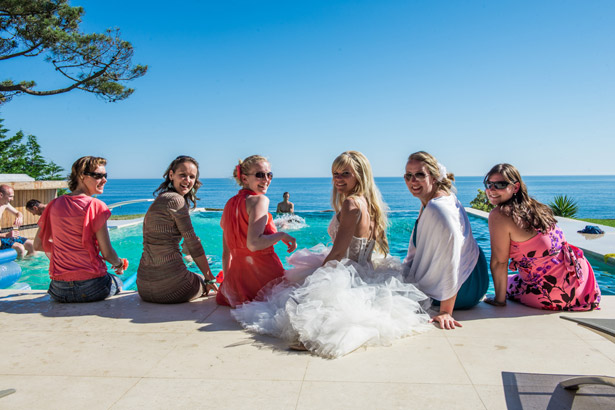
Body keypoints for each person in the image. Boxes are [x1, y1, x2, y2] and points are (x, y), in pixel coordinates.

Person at [232, 151, 431, 358]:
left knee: (293, 305)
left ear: (360, 175)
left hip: (346, 272)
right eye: (335, 173)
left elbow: (337, 252)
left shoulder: (351, 203)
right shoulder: (369, 203)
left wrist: (316, 280)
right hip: (364, 269)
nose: (338, 178)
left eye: (345, 173)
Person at [483, 163, 601, 311]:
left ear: (515, 187)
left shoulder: (500, 215)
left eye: (500, 184)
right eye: (489, 184)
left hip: (556, 295)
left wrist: (499, 301)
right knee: (512, 280)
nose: (492, 190)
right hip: (582, 284)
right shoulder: (537, 208)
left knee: (506, 285)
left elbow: (499, 262)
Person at [403, 151, 488, 330]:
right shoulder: (433, 198)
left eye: (419, 174)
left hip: (464, 288)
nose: (413, 181)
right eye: (408, 175)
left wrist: (445, 311)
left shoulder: (438, 208)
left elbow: (453, 256)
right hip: (475, 276)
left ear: (434, 177)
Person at [33, 156, 126, 303]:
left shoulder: (53, 205)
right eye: (98, 176)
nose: (104, 180)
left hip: (58, 290)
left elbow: (37, 245)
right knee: (119, 282)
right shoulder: (96, 205)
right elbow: (107, 253)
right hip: (93, 287)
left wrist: (66, 250)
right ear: (82, 175)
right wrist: (119, 264)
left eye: (105, 175)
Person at [216, 155, 297, 307]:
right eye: (260, 175)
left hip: (237, 283)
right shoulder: (260, 200)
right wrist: (281, 235)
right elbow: (253, 244)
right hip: (264, 279)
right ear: (245, 179)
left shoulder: (229, 204)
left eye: (269, 174)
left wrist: (228, 288)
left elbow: (226, 253)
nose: (266, 179)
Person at [137, 155, 218, 303]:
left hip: (143, 287)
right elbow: (193, 242)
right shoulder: (176, 200)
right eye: (183, 175)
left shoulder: (161, 199)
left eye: (191, 177)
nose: (187, 180)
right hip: (172, 288)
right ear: (171, 175)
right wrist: (209, 277)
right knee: (202, 281)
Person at [0, 184, 35, 258]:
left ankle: (30, 267)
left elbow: (18, 213)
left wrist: (20, 217)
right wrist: (5, 235)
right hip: (1, 237)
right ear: (1, 195)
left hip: (3, 235)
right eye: (10, 196)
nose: (12, 199)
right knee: (20, 248)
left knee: (30, 245)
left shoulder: (5, 204)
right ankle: (18, 267)